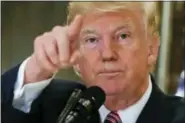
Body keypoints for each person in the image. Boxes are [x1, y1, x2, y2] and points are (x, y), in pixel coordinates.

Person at [1, 2, 184, 123]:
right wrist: (36, 69)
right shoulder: (49, 104)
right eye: (92, 40)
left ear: (152, 49)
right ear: (76, 58)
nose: (107, 54)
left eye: (122, 36)